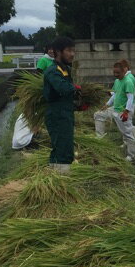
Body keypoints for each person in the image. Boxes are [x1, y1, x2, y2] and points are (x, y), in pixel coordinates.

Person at [42, 36, 76, 172]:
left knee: (64, 148)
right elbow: (63, 88)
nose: (72, 54)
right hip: (57, 116)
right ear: (58, 51)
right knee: (63, 151)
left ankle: (56, 178)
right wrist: (77, 89)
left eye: (73, 50)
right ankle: (61, 183)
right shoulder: (52, 71)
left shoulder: (65, 69)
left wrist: (78, 104)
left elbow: (65, 95)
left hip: (65, 114)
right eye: (69, 50)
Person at [94, 59, 135, 162]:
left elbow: (131, 98)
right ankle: (99, 138)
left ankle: (131, 155)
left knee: (127, 132)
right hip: (116, 107)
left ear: (124, 71)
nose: (115, 74)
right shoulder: (117, 81)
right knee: (98, 114)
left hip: (123, 110)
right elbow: (116, 94)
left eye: (118, 73)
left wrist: (126, 111)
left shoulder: (128, 81)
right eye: (114, 72)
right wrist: (107, 104)